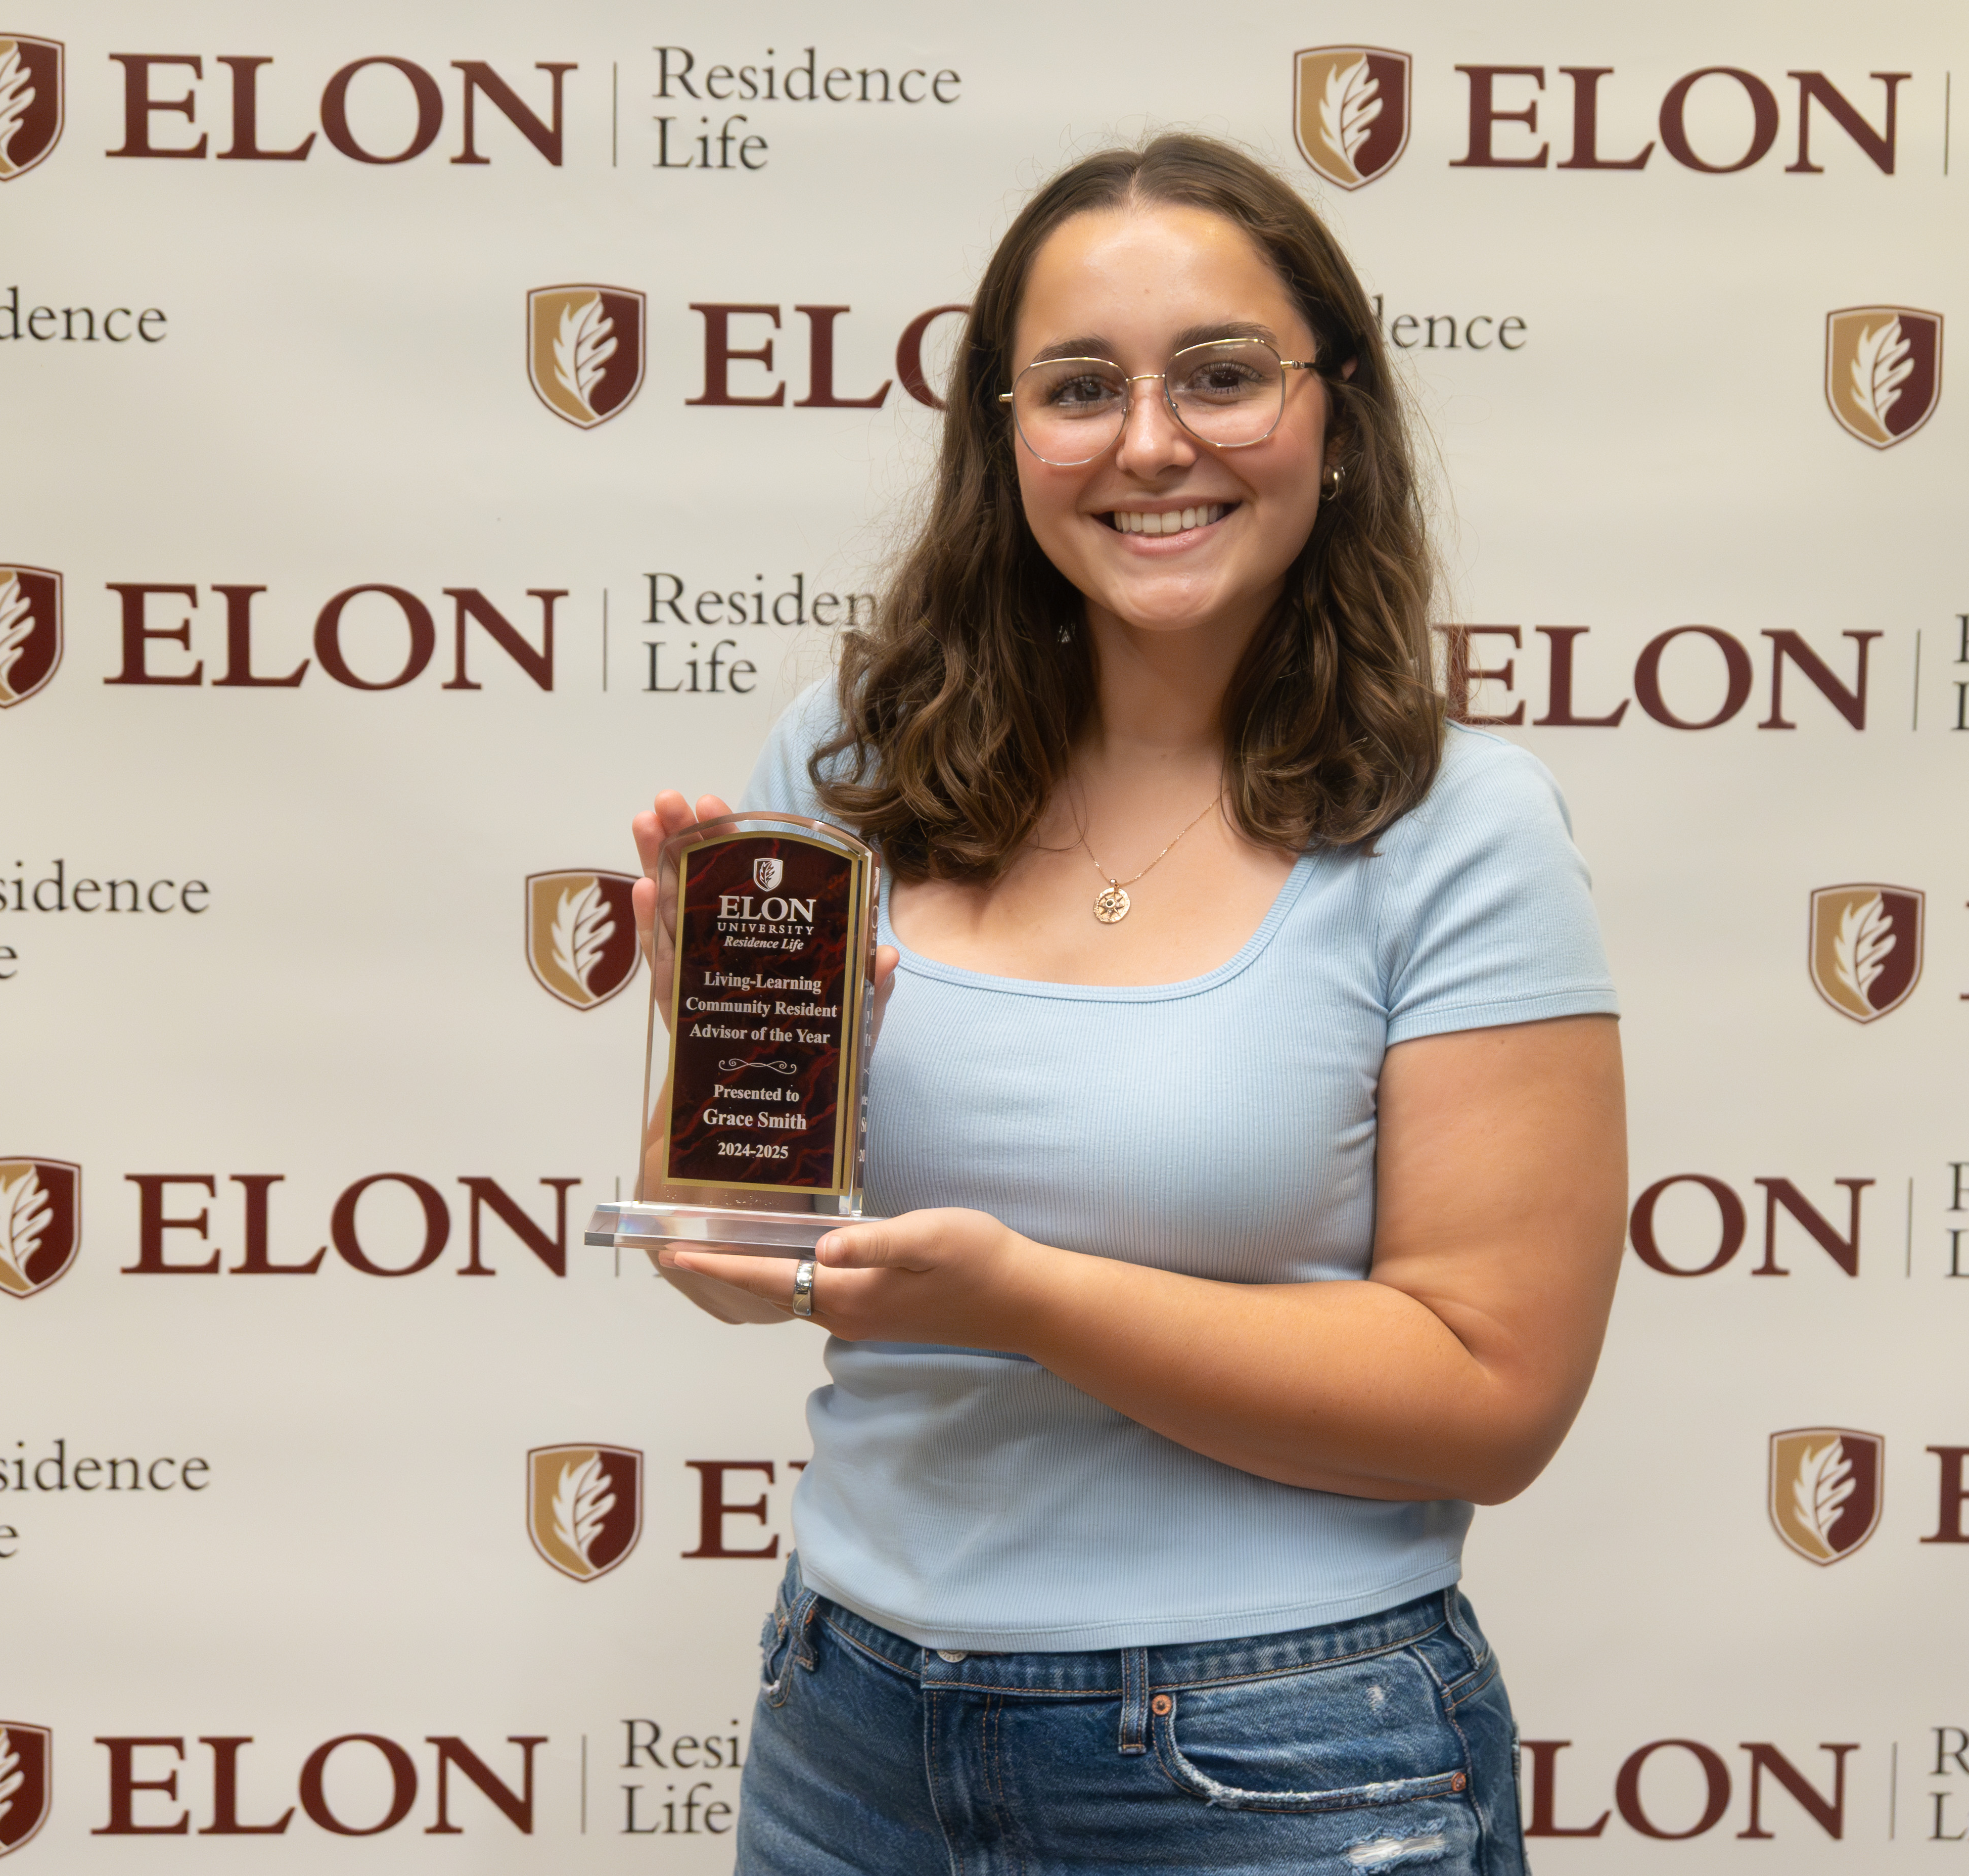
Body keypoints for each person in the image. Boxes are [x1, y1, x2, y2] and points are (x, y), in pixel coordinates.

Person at [628, 133, 1624, 1874]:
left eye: (1222, 376)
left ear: (1338, 411)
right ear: (1004, 432)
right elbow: (741, 1254)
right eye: (1080, 386)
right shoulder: (845, 766)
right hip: (849, 1724)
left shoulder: (1463, 830)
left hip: (1278, 1756)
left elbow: (1491, 1394)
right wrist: (709, 1090)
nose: (1152, 442)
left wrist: (1025, 1298)